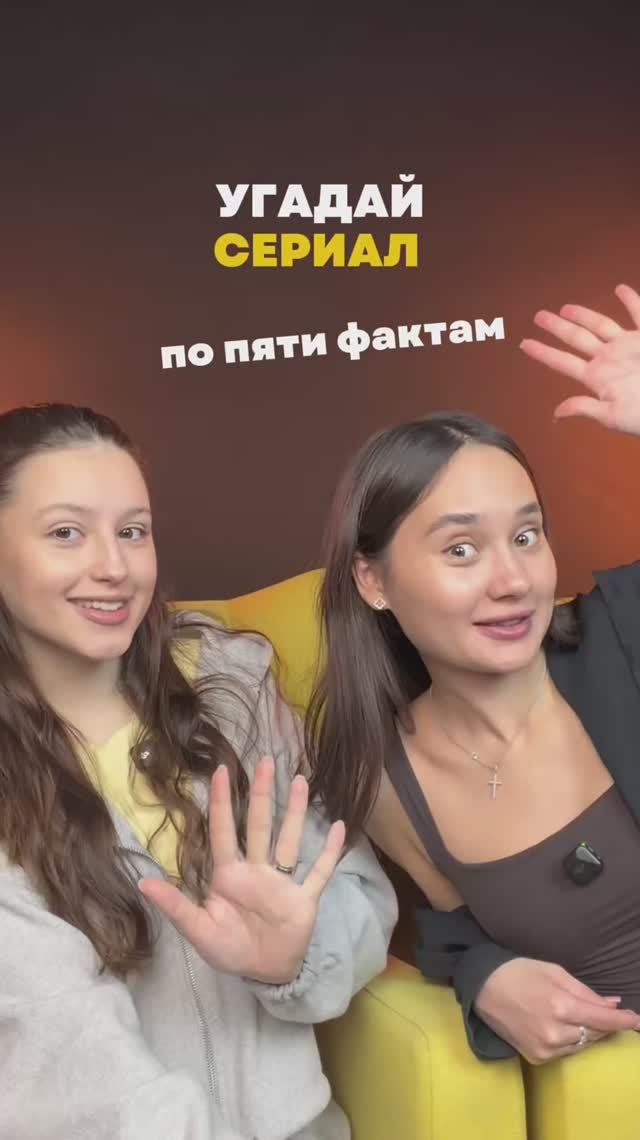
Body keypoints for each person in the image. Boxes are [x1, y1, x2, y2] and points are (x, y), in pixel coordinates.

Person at [0, 403, 398, 1140]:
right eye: (66, 533)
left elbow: (357, 893)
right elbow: (58, 1043)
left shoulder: (228, 687)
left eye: (133, 531)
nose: (113, 567)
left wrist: (290, 960)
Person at [306, 283, 640, 1067]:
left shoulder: (626, 630)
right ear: (373, 581)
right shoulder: (382, 779)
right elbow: (455, 931)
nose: (513, 580)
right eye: (461, 549)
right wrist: (488, 976)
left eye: (527, 536)